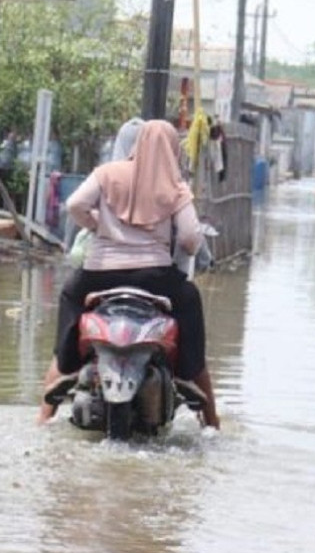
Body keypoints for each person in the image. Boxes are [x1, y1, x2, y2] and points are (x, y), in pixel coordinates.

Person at [37, 119, 220, 429]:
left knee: (69, 296)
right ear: (174, 149)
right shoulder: (175, 185)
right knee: (189, 300)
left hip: (99, 274)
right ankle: (206, 411)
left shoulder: (107, 173)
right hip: (154, 276)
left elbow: (75, 204)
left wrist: (99, 225)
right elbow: (190, 238)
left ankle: (50, 404)